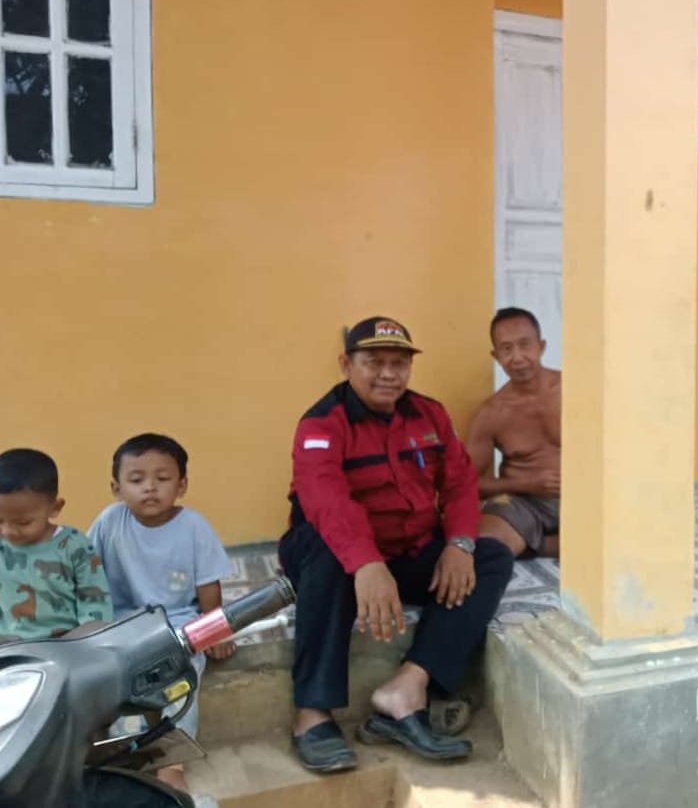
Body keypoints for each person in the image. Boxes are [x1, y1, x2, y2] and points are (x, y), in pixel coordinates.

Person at [280, 315, 514, 773]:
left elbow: (460, 483)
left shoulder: (429, 414)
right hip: (336, 552)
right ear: (346, 364)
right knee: (325, 554)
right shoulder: (321, 424)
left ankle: (408, 685)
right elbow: (328, 503)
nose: (388, 374)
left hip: (406, 549)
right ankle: (312, 713)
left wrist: (459, 544)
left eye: (399, 363)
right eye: (374, 362)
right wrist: (367, 564)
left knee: (491, 557)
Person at [88, 433, 235, 795]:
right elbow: (88, 575)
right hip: (122, 625)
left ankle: (171, 763)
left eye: (163, 478)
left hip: (178, 626)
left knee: (182, 680)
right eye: (136, 479)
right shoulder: (109, 522)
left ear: (182, 485)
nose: (150, 488)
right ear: (116, 488)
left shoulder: (195, 527)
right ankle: (129, 755)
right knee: (116, 683)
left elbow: (208, 588)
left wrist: (215, 630)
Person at [465, 308, 562, 558]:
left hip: (584, 495)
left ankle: (541, 545)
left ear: (541, 346)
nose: (517, 357)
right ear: (495, 356)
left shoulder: (574, 389)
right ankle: (559, 544)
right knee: (488, 543)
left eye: (524, 345)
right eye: (506, 349)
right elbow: (466, 483)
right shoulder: (492, 413)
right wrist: (526, 484)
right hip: (525, 503)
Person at [0, 448, 113, 642]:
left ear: (55, 508)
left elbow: (94, 597)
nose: (8, 531)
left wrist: (90, 638)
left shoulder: (74, 546)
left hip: (67, 642)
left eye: (23, 522)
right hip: (10, 643)